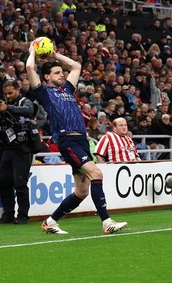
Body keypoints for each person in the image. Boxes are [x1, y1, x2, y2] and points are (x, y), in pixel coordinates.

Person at [26, 42, 127, 235]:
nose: (62, 75)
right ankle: (106, 222)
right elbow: (30, 67)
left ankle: (50, 222)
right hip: (68, 141)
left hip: (81, 140)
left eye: (61, 73)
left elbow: (76, 66)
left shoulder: (66, 89)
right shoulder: (44, 92)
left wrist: (55, 55)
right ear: (46, 77)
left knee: (81, 192)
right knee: (96, 173)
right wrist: (33, 50)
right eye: (57, 73)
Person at [0, 80, 38, 224]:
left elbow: (29, 111)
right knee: (4, 183)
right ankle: (7, 215)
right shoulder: (2, 104)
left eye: (11, 93)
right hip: (7, 148)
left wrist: (7, 107)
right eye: (5, 94)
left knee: (20, 183)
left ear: (18, 90)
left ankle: (22, 216)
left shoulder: (24, 101)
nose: (8, 96)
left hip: (23, 148)